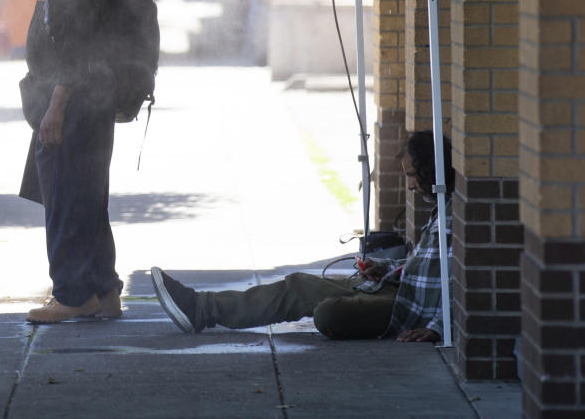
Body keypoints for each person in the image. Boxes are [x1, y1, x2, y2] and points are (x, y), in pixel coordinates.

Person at [151, 130, 452, 342]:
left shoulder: (455, 218)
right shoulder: (440, 208)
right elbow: (425, 267)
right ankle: (201, 308)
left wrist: (438, 327)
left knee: (328, 315)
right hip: (396, 290)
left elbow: (460, 283)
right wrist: (386, 268)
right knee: (298, 286)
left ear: (431, 169)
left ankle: (205, 308)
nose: (411, 186)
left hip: (406, 310)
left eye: (413, 175)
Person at [19, 0, 124, 324]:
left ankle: (73, 294)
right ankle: (102, 291)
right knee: (85, 199)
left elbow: (80, 49)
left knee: (66, 200)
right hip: (86, 104)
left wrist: (56, 106)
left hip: (76, 106)